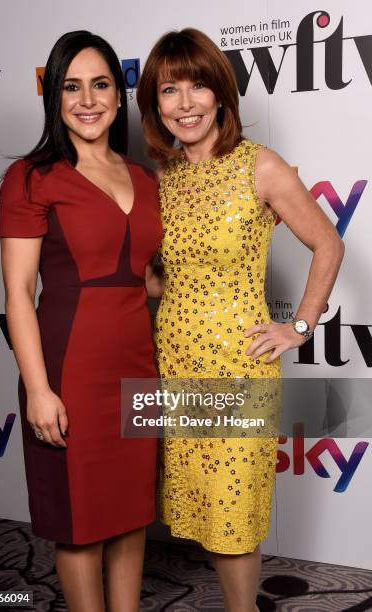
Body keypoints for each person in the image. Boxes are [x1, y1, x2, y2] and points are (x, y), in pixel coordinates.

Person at [137, 28, 344, 612]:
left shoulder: (260, 166)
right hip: (177, 361)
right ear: (155, 104)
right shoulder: (165, 179)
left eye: (197, 86)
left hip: (239, 363)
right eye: (169, 90)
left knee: (234, 510)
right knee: (200, 503)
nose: (184, 103)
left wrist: (298, 327)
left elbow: (328, 245)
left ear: (221, 95)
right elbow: (165, 277)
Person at [0, 31, 163, 612]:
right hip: (69, 369)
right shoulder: (31, 176)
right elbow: (18, 293)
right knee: (80, 522)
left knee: (130, 515)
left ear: (120, 97)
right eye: (72, 86)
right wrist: (40, 390)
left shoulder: (145, 178)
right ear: (55, 97)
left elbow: (144, 278)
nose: (87, 99)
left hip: (138, 370)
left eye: (100, 85)